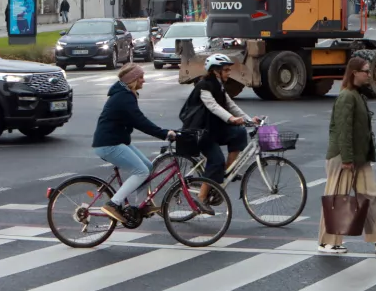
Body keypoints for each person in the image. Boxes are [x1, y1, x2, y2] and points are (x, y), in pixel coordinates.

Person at [319, 56, 376, 254]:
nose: (369, 74)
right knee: (336, 199)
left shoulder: (356, 94)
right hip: (344, 157)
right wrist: (347, 159)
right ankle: (327, 242)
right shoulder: (347, 96)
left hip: (359, 157)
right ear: (354, 73)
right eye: (365, 71)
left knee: (371, 196)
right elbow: (343, 130)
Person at [92, 63, 176, 223]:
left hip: (117, 141)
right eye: (141, 77)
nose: (143, 81)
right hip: (109, 144)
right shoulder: (123, 97)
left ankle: (140, 206)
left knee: (148, 167)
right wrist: (164, 133)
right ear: (133, 80)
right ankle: (113, 204)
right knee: (141, 172)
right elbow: (139, 121)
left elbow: (137, 120)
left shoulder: (125, 94)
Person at [188, 54, 257, 202]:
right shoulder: (203, 86)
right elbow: (213, 106)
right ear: (215, 71)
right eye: (225, 70)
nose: (228, 72)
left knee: (239, 133)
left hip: (214, 128)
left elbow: (231, 105)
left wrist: (249, 120)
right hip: (201, 131)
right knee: (216, 161)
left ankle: (225, 173)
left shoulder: (219, 86)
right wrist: (231, 118)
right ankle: (201, 198)